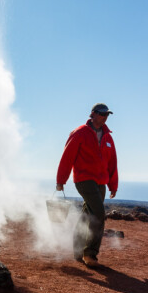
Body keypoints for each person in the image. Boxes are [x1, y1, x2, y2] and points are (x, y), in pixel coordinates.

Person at [56, 103, 118, 268]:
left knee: (86, 216)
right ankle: (90, 254)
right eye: (102, 114)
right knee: (98, 214)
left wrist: (113, 185)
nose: (105, 117)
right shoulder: (80, 133)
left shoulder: (108, 137)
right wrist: (61, 180)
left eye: (107, 114)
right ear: (93, 114)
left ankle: (77, 251)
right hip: (84, 179)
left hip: (101, 181)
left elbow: (112, 163)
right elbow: (67, 157)